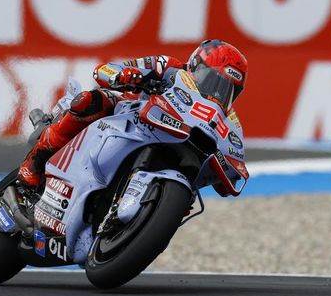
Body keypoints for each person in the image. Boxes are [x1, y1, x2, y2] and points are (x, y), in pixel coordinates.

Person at [17, 39, 249, 190]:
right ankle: (36, 160)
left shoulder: (229, 120)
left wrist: (231, 166)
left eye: (229, 89)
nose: (219, 91)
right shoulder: (169, 67)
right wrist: (126, 76)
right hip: (132, 114)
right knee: (90, 101)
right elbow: (106, 70)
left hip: (178, 139)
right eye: (213, 80)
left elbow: (235, 155)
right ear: (196, 65)